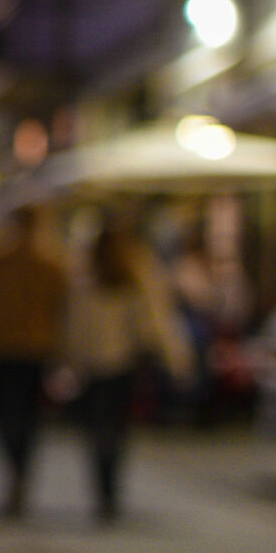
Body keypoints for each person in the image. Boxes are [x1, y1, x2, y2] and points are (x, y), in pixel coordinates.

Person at [61, 221, 192, 522]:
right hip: (124, 366)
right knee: (116, 432)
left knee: (97, 431)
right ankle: (110, 494)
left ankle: (103, 492)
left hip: (94, 368)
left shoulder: (87, 283)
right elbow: (156, 324)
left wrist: (69, 360)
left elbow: (74, 328)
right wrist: (177, 361)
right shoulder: (133, 280)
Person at [0, 205, 68, 517]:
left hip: (7, 350)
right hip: (28, 350)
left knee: (8, 416)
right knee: (24, 419)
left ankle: (16, 475)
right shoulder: (48, 266)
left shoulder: (0, 265)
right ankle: (19, 475)